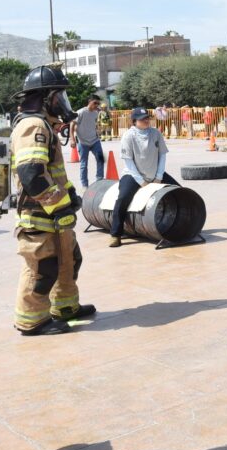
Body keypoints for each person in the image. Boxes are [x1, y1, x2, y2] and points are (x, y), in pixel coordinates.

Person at [11, 65, 95, 335]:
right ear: (45, 96)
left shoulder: (44, 124)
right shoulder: (32, 125)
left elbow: (52, 172)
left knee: (69, 259)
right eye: (60, 96)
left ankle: (66, 308)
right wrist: (59, 205)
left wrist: (70, 195)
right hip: (40, 214)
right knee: (42, 269)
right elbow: (31, 174)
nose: (64, 103)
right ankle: (31, 321)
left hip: (56, 211)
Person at [108, 107, 178, 246]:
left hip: (155, 173)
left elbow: (162, 155)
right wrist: (141, 181)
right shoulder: (129, 136)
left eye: (147, 118)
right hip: (133, 174)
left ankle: (179, 227)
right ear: (134, 121)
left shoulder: (156, 133)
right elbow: (128, 160)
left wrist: (158, 176)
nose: (146, 120)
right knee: (122, 198)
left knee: (178, 190)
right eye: (142, 119)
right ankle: (115, 234)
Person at [71, 96, 105, 188]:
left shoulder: (96, 113)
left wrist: (98, 131)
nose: (96, 105)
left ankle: (100, 180)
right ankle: (84, 185)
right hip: (83, 142)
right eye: (95, 103)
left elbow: (94, 124)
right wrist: (72, 140)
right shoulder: (80, 112)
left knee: (101, 160)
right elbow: (72, 125)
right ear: (89, 102)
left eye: (98, 103)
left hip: (95, 141)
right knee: (84, 164)